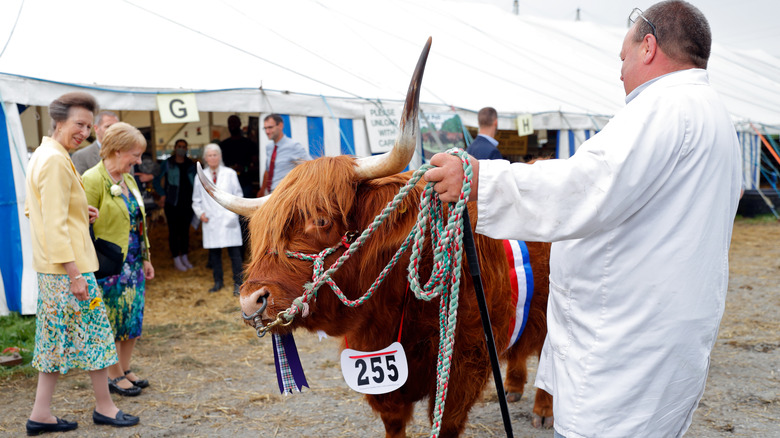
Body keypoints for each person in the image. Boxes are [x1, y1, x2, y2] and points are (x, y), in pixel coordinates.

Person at [423, 2, 742, 437]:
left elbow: (586, 185)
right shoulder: (711, 112)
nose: (620, 71)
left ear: (648, 46)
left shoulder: (666, 107)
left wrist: (481, 181)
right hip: (663, 330)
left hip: (627, 343)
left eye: (623, 56)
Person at [24, 92, 139, 435]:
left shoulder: (44, 154)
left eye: (89, 126)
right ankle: (105, 407)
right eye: (79, 124)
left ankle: (40, 414)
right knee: (99, 339)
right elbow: (53, 223)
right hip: (68, 269)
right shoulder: (57, 160)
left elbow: (37, 210)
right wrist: (75, 273)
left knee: (53, 344)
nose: (85, 132)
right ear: (59, 120)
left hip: (52, 269)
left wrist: (79, 212)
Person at [83, 122, 155, 398]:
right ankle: (113, 375)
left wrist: (146, 257)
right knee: (112, 319)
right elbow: (82, 225)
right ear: (116, 150)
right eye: (134, 155)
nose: (138, 161)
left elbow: (140, 222)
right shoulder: (92, 179)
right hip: (109, 262)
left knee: (132, 319)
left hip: (134, 260)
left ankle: (124, 369)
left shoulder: (129, 180)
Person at [192, 144, 244, 295]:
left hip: (229, 219)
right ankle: (218, 282)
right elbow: (196, 200)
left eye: (215, 155)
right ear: (205, 158)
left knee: (235, 255)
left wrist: (233, 214)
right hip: (211, 220)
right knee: (214, 255)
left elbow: (238, 196)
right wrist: (200, 213)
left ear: (220, 156)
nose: (212, 158)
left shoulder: (230, 174)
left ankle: (238, 284)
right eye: (209, 155)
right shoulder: (200, 175)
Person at [153, 139, 197, 272]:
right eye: (179, 146)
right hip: (172, 202)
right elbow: (156, 180)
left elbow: (197, 181)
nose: (181, 149)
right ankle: (176, 258)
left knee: (185, 231)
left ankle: (184, 256)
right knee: (173, 231)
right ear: (175, 148)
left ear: (187, 149)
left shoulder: (191, 164)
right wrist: (162, 193)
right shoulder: (168, 163)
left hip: (188, 202)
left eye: (184, 147)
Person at [261, 114, 311, 195]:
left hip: (285, 194)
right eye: (265, 128)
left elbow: (310, 167)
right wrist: (262, 190)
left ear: (280, 125)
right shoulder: (269, 147)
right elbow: (267, 171)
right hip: (270, 194)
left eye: (270, 127)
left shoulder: (294, 146)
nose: (267, 131)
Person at [220, 115, 259, 198]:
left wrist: (244, 169)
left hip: (245, 183)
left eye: (234, 122)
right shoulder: (223, 145)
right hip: (226, 184)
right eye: (230, 123)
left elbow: (257, 166)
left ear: (240, 124)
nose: (232, 125)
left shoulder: (249, 144)